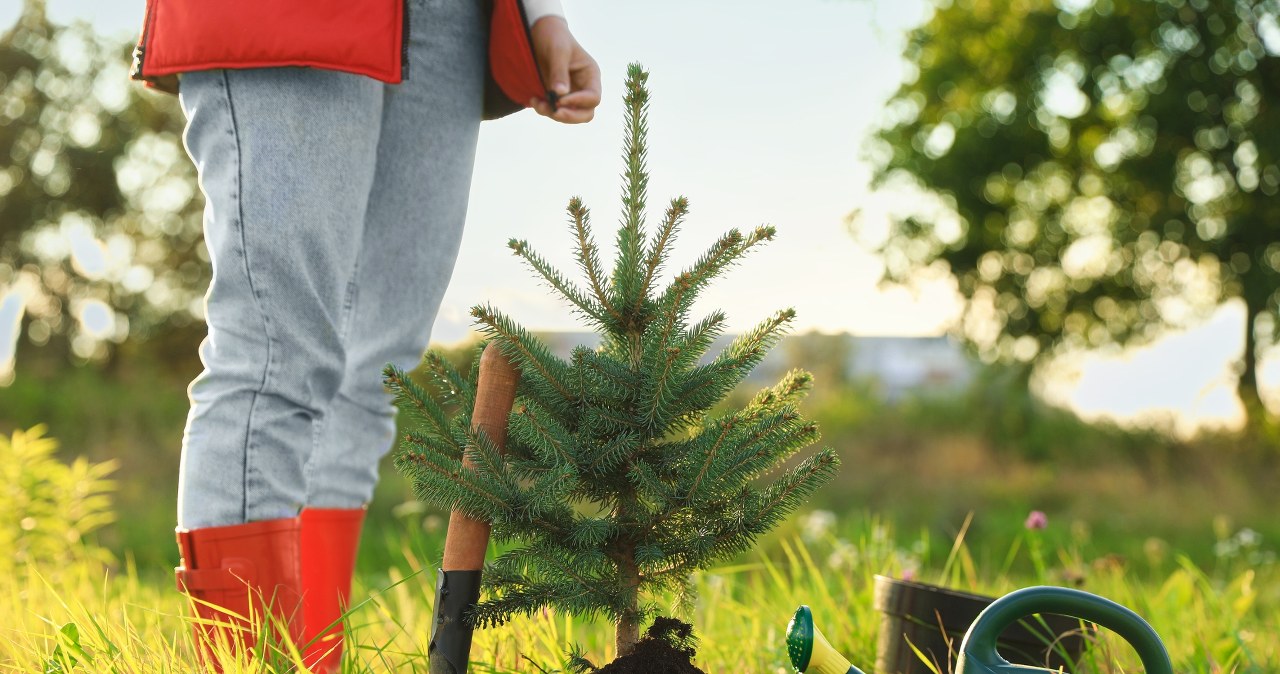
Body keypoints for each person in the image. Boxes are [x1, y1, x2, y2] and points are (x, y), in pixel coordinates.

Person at [130, 1, 601, 671]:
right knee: (274, 355)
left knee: (372, 376)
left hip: (450, 20)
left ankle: (317, 660)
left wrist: (542, 13)